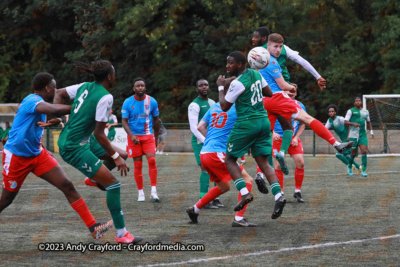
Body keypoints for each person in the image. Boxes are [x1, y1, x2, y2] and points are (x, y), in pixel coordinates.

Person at [0, 72, 113, 240]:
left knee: (67, 185)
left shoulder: (39, 103)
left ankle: (93, 227)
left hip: (37, 155)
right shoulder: (32, 100)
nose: (56, 90)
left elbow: (44, 119)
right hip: (17, 158)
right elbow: (53, 109)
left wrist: (59, 121)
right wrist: (82, 108)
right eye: (54, 87)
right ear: (47, 88)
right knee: (7, 200)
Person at [54, 60, 142, 244]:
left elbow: (59, 93)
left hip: (84, 139)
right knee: (113, 184)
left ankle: (93, 179)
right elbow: (100, 133)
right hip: (73, 146)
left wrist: (59, 113)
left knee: (124, 154)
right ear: (110, 76)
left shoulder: (84, 86)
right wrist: (116, 158)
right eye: (114, 73)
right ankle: (121, 234)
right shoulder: (106, 97)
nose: (115, 76)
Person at [258, 34, 353, 176]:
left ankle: (262, 171)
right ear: (268, 45)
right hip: (278, 98)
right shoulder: (272, 62)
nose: (278, 50)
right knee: (308, 119)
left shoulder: (257, 59)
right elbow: (282, 84)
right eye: (275, 46)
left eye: (280, 47)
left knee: (273, 134)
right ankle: (336, 144)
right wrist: (292, 88)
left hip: (264, 101)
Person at [216, 51, 285, 220]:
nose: (227, 66)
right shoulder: (255, 73)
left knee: (230, 159)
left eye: (230, 63)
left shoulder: (237, 83)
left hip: (247, 122)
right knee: (264, 162)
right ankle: (278, 195)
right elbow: (268, 93)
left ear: (240, 64)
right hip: (263, 121)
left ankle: (245, 193)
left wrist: (220, 86)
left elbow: (224, 106)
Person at [186, 102, 260, 227]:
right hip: (217, 154)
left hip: (205, 152)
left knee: (224, 187)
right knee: (247, 179)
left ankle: (195, 210)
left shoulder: (215, 105)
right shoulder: (239, 107)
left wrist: (212, 139)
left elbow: (200, 127)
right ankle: (238, 218)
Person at [122, 77, 160, 202]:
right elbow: (124, 121)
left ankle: (154, 192)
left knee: (152, 161)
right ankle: (141, 193)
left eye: (142, 86)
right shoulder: (128, 102)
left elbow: (156, 121)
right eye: (138, 86)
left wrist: (156, 137)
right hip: (134, 137)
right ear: (134, 88)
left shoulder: (152, 101)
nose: (140, 88)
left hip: (148, 136)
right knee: (138, 164)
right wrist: (132, 136)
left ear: (145, 87)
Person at [251, 26, 326, 89]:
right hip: (284, 87)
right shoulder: (283, 48)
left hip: (271, 89)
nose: (253, 39)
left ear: (264, 38)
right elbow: (301, 60)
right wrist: (318, 76)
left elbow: (253, 74)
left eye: (255, 37)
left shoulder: (256, 52)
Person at [188, 79, 222, 209]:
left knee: (217, 168)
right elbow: (193, 128)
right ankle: (204, 199)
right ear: (197, 89)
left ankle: (216, 198)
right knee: (205, 169)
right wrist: (206, 141)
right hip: (200, 142)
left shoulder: (213, 103)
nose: (204, 87)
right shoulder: (194, 105)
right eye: (201, 85)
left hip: (213, 141)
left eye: (206, 85)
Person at [272, 85, 306, 202]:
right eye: (289, 91)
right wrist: (273, 133)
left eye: (294, 91)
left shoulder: (300, 105)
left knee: (300, 163)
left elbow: (303, 124)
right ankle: (280, 193)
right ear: (284, 92)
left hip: (292, 139)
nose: (291, 93)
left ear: (296, 93)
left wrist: (296, 137)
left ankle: (297, 191)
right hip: (278, 139)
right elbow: (266, 119)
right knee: (277, 165)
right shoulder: (276, 103)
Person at [325, 104, 362, 176]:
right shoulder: (329, 121)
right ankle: (358, 167)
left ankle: (351, 166)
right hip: (343, 140)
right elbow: (325, 129)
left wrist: (348, 136)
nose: (331, 113)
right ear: (328, 113)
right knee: (346, 154)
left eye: (332, 111)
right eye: (330, 112)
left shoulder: (340, 119)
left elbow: (349, 125)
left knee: (338, 154)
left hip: (347, 138)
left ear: (335, 112)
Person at [344, 97, 374, 177]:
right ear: (354, 103)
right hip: (353, 135)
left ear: (361, 102)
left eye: (359, 101)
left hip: (362, 135)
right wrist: (353, 124)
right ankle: (350, 166)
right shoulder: (350, 111)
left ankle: (363, 170)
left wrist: (371, 131)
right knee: (353, 153)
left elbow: (368, 122)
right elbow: (345, 122)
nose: (358, 102)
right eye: (356, 101)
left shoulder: (366, 111)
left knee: (364, 151)